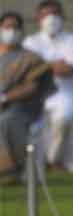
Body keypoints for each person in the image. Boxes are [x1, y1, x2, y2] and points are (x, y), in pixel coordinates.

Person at [23, 0, 73, 174]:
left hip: (66, 94)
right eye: (45, 15)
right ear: (38, 19)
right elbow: (28, 73)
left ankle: (52, 160)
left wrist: (43, 66)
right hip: (36, 94)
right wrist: (53, 65)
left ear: (63, 17)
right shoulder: (31, 42)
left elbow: (68, 70)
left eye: (55, 14)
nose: (51, 19)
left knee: (64, 115)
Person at [0, 12, 51, 182]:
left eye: (15, 27)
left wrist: (5, 98)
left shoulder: (31, 59)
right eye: (7, 27)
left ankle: (10, 171)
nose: (11, 31)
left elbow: (32, 87)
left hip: (22, 107)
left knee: (6, 120)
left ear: (22, 30)